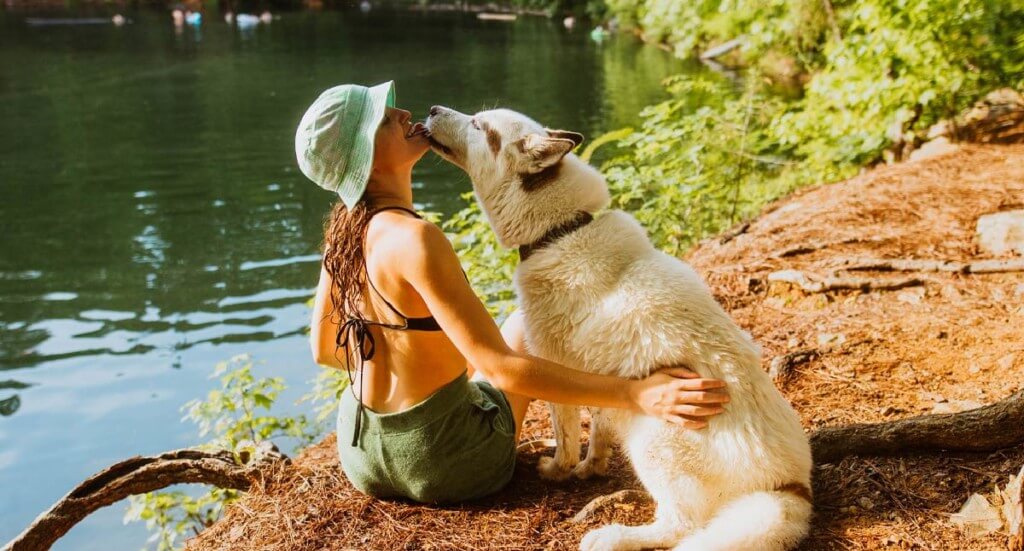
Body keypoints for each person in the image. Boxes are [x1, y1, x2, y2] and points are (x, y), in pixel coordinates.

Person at [296, 81, 729, 504]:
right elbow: (502, 370)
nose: (404, 114)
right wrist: (635, 394)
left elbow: (324, 350)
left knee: (504, 339)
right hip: (445, 463)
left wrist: (414, 354)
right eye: (387, 120)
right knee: (522, 329)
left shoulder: (343, 233)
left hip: (363, 453)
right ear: (368, 160)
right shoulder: (416, 239)